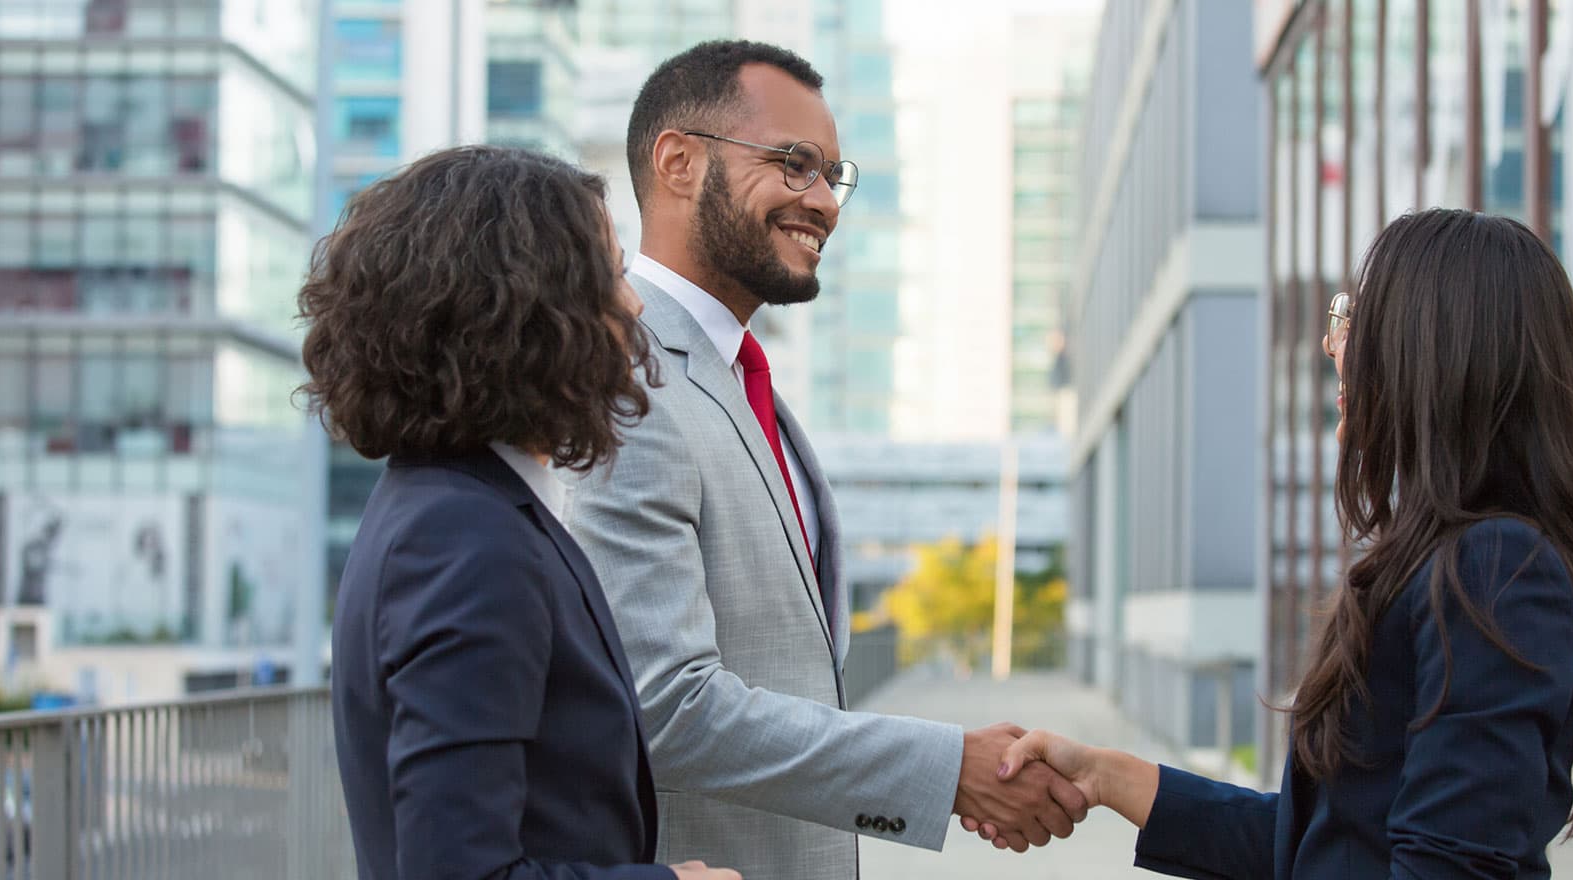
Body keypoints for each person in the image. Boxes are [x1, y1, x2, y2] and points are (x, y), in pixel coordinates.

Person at [977, 209, 1573, 880]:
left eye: (1355, 321)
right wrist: (1103, 774)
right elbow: (1324, 846)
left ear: (1428, 351)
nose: (1335, 346)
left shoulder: (1497, 572)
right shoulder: (1459, 563)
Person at [563, 40, 1084, 880]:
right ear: (679, 161)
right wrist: (947, 770)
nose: (824, 202)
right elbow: (665, 704)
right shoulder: (625, 378)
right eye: (794, 164)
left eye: (832, 176)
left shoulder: (744, 383)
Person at [307, 145, 738, 880]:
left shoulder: (445, 506)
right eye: (608, 275)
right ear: (524, 312)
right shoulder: (466, 541)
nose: (633, 304)